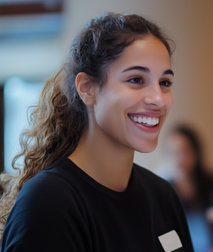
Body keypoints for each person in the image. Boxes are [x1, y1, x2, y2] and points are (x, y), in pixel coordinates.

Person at [0, 13, 194, 252]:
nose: (157, 99)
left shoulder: (162, 196)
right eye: (136, 79)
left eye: (164, 83)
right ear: (87, 89)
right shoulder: (50, 201)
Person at [164, 125, 213, 252]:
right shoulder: (163, 194)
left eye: (184, 151)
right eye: (172, 153)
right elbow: (165, 236)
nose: (179, 159)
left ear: (195, 153)